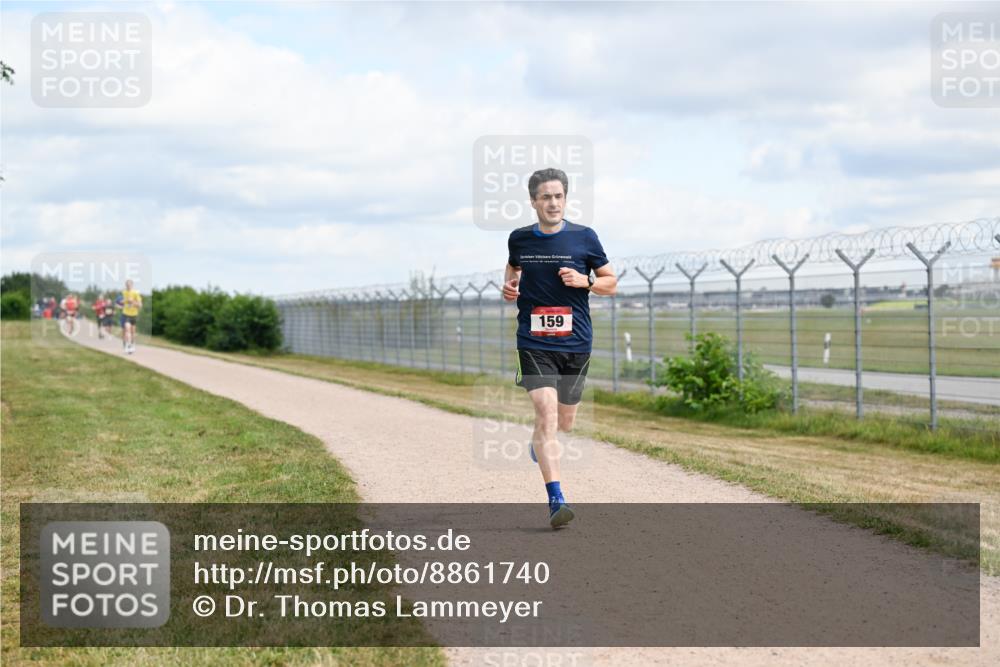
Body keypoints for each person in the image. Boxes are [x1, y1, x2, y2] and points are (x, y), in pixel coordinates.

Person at [502, 168, 617, 528]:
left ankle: (540, 445)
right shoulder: (519, 239)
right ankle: (556, 500)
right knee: (546, 414)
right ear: (533, 201)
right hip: (534, 340)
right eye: (546, 197)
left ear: (565, 199)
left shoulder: (585, 238)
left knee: (565, 423)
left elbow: (610, 282)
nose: (553, 203)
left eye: (558, 196)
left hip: (576, 342)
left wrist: (587, 282)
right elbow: (512, 271)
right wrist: (509, 288)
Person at [119, 280, 142, 354]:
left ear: (132, 285)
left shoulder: (135, 293)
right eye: (127, 285)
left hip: (134, 314)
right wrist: (126, 300)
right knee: (127, 329)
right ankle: (127, 345)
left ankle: (132, 345)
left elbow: (140, 305)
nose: (128, 286)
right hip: (126, 314)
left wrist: (132, 302)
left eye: (129, 285)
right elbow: (120, 302)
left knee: (133, 332)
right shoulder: (124, 292)